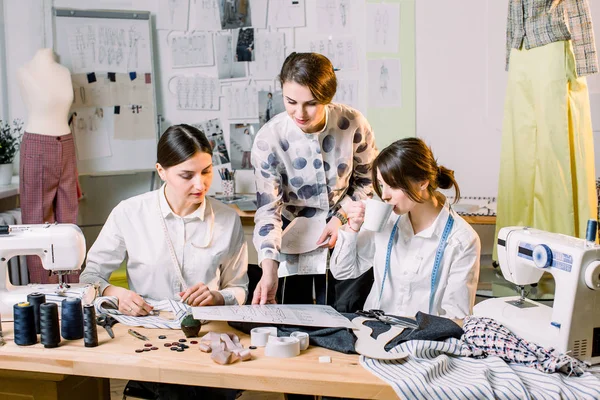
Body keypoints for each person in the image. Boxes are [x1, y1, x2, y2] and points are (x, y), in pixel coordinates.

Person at [251, 52, 377, 306]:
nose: (300, 112)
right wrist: (268, 266)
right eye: (291, 101)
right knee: (291, 320)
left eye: (311, 103)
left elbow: (367, 182)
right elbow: (268, 211)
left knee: (345, 315)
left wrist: (341, 218)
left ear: (327, 97)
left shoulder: (352, 124)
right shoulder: (269, 140)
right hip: (290, 236)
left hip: (345, 231)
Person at [81, 124, 248, 313]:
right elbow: (90, 276)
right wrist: (114, 292)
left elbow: (239, 288)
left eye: (206, 171)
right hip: (146, 324)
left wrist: (217, 297)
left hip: (206, 327)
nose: (200, 184)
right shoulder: (129, 213)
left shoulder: (228, 219)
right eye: (187, 175)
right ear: (161, 171)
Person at [330, 138, 481, 319]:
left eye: (392, 185)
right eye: (381, 184)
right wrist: (352, 229)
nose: (384, 195)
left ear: (422, 182)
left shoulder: (461, 240)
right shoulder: (386, 221)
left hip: (422, 342)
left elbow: (457, 317)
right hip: (372, 332)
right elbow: (343, 271)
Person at [494, 0, 597, 261]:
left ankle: (563, 255)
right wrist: (511, 50)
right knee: (519, 150)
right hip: (521, 47)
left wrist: (585, 58)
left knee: (555, 150)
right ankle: (514, 253)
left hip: (553, 41)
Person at [17, 48, 80, 284]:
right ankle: (44, 291)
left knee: (68, 221)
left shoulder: (63, 71)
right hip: (37, 144)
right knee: (36, 222)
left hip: (66, 142)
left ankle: (72, 289)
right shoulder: (24, 71)